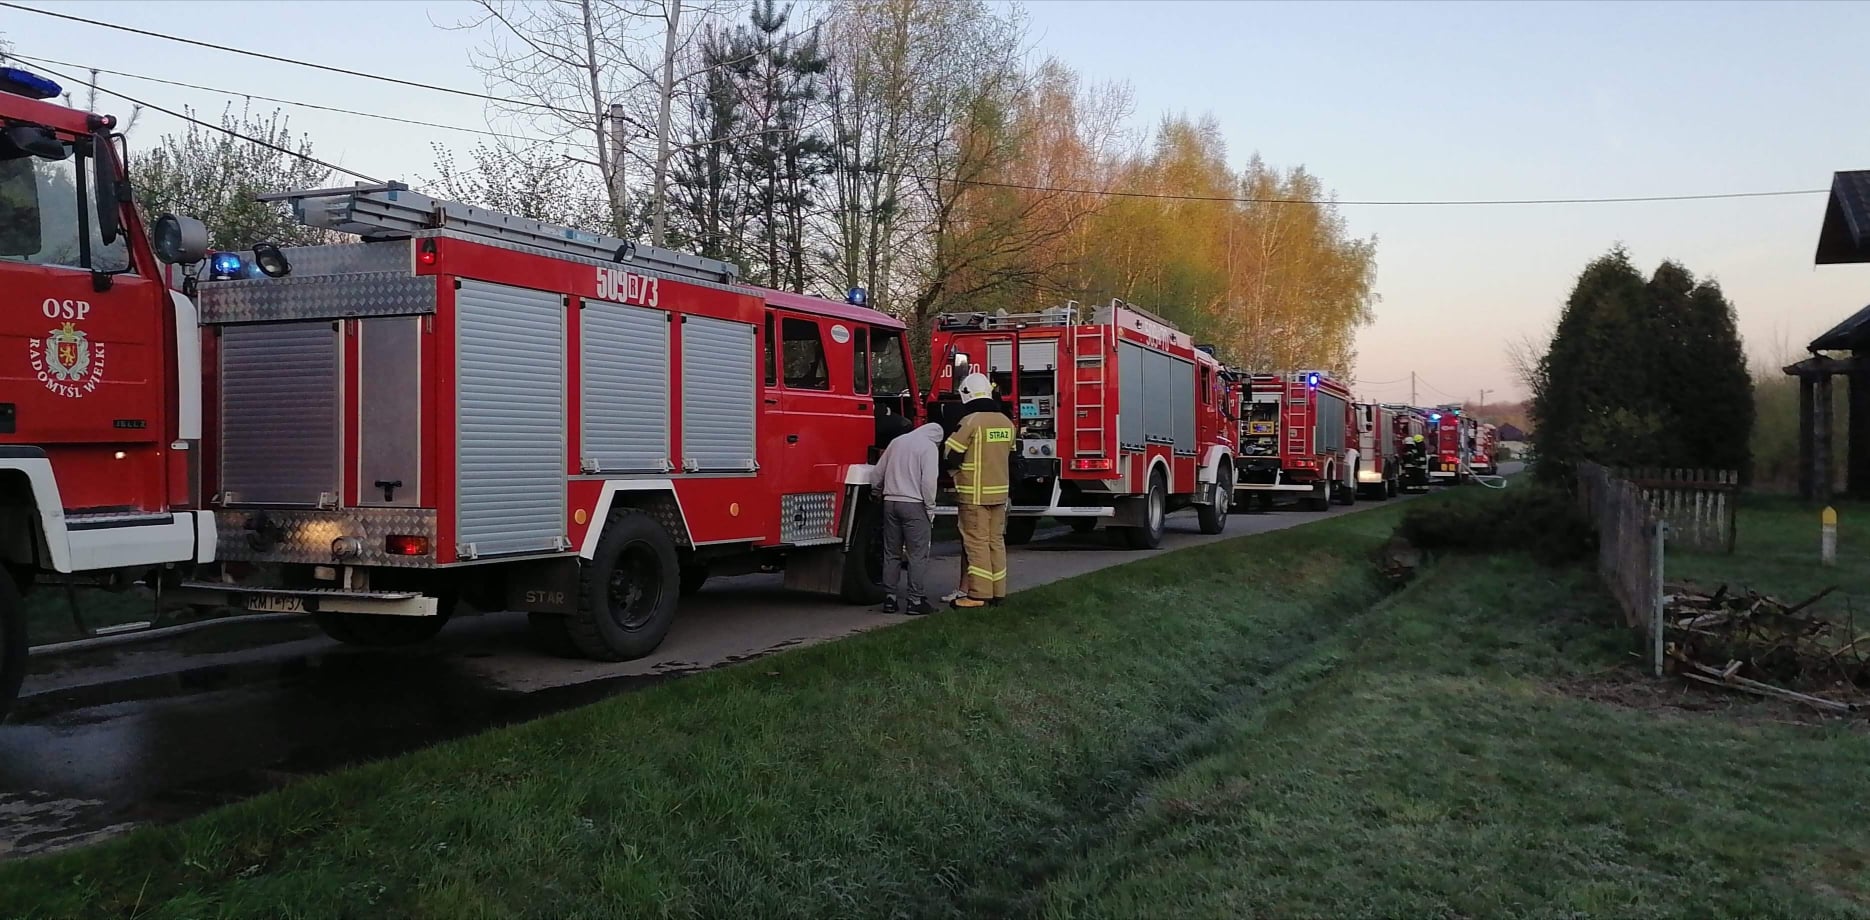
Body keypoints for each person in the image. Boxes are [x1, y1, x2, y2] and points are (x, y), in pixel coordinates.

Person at [943, 373, 1015, 609]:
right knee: (996, 542)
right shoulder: (1006, 422)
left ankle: (978, 595)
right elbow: (1012, 457)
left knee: (976, 543)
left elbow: (952, 455)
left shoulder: (971, 421)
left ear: (967, 394)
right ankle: (998, 592)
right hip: (1000, 493)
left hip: (974, 493)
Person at [874, 422, 943, 616]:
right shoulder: (929, 447)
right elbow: (929, 482)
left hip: (890, 502)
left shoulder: (897, 441)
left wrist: (876, 491)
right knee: (917, 554)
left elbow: (878, 472)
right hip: (914, 505)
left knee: (891, 552)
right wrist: (930, 509)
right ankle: (914, 600)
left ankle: (890, 598)